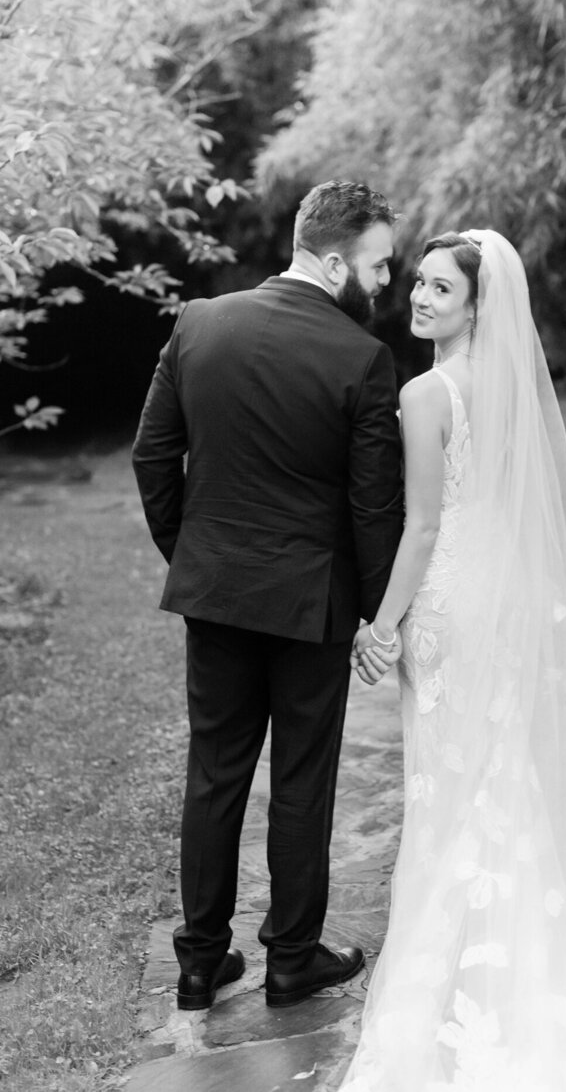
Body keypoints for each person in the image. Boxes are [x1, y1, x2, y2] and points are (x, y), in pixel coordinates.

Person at [345, 230, 566, 1091]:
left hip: (444, 609)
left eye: (440, 289)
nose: (421, 300)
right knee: (497, 780)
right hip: (499, 604)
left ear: (477, 305)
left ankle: (448, 989)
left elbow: (425, 525)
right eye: (420, 285)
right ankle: (516, 976)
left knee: (446, 793)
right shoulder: (509, 390)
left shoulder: (427, 392)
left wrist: (382, 624)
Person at [132, 180, 404, 1012]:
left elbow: (152, 458)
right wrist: (370, 609)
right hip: (309, 605)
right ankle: (290, 960)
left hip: (216, 595)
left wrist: (197, 557)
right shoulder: (362, 358)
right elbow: (373, 507)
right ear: (331, 260)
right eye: (379, 264)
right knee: (301, 779)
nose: (387, 281)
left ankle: (198, 963)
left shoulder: (199, 322)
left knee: (214, 773)